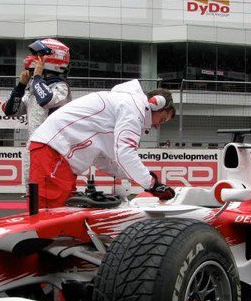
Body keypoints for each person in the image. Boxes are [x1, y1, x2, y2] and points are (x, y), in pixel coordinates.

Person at [28, 80, 177, 208]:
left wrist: (144, 178)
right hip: (55, 151)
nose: (157, 126)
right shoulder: (133, 107)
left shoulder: (122, 105)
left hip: (58, 153)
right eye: (162, 120)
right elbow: (125, 154)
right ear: (156, 104)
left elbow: (103, 159)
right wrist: (151, 184)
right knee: (52, 214)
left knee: (61, 213)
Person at [3, 38, 71, 183]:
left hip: (54, 148)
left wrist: (38, 77)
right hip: (34, 146)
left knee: (49, 191)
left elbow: (46, 100)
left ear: (54, 58)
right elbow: (10, 111)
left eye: (39, 55)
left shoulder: (60, 86)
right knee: (31, 191)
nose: (32, 59)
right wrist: (21, 86)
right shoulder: (34, 87)